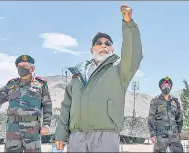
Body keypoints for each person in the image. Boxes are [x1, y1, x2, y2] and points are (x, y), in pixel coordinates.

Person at [54, 4, 143, 152]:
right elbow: (66, 106)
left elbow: (133, 54)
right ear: (92, 49)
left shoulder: (120, 70)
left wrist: (128, 24)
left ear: (112, 49)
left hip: (105, 138)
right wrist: (61, 134)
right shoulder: (78, 75)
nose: (103, 46)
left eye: (107, 44)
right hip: (77, 138)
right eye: (99, 43)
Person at [0, 54, 52, 152]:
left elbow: (47, 105)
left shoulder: (41, 84)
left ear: (32, 68)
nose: (22, 68)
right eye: (19, 66)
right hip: (13, 128)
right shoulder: (11, 85)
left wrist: (46, 124)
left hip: (32, 128)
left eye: (25, 66)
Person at [148, 76, 184, 152]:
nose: (166, 87)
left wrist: (179, 131)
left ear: (170, 87)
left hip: (174, 134)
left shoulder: (175, 101)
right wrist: (152, 134)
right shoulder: (156, 101)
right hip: (161, 135)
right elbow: (151, 118)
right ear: (161, 87)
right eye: (164, 86)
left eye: (168, 85)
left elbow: (179, 117)